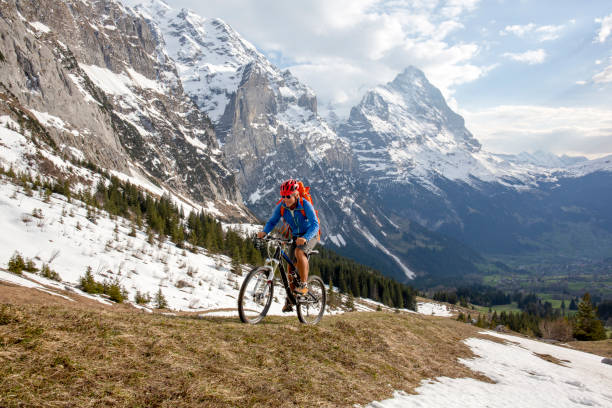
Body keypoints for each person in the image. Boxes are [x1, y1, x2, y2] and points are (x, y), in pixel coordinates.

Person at [257, 179, 319, 312]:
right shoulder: (282, 206)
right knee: (290, 271)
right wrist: (264, 232)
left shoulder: (305, 205)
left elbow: (315, 225)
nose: (285, 199)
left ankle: (304, 284)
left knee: (299, 253)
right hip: (296, 236)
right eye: (283, 196)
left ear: (296, 195)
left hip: (311, 235)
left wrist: (305, 237)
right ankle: (290, 301)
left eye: (288, 196)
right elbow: (272, 221)